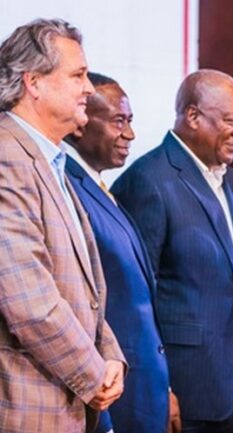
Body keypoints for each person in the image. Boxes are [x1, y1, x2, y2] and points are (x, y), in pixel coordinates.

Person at [111, 69, 233, 433]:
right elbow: (133, 300)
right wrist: (158, 387)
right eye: (231, 120)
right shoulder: (149, 180)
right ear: (193, 116)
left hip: (227, 385)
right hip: (177, 390)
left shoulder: (230, 178)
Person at [0, 19, 125, 433]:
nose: (89, 88)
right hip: (28, 407)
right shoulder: (6, 158)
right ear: (33, 82)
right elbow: (29, 300)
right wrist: (94, 374)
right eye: (78, 75)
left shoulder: (53, 161)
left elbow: (87, 293)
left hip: (68, 404)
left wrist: (111, 357)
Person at [65, 72, 180, 433]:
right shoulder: (68, 189)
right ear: (81, 122)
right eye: (119, 121)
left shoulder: (100, 189)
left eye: (130, 122)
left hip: (141, 395)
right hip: (110, 401)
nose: (129, 134)